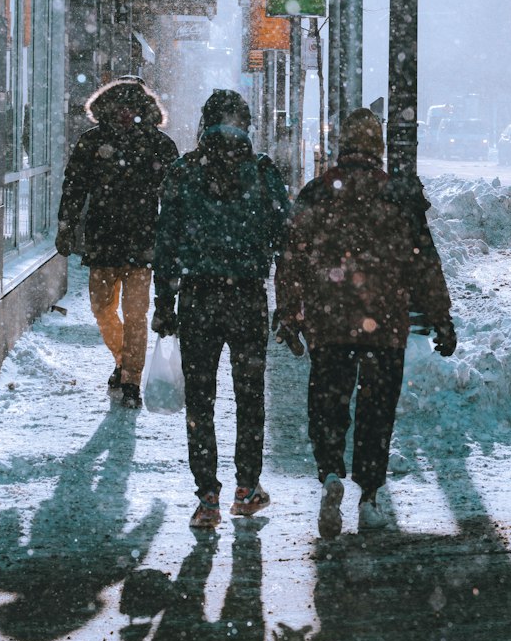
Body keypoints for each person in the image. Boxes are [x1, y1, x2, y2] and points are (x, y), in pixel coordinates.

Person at [274, 107, 455, 539]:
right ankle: (370, 496)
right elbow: (423, 261)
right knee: (377, 412)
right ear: (379, 147)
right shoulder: (397, 195)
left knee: (328, 405)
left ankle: (331, 474)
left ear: (342, 145)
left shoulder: (317, 193)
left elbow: (291, 257)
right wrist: (440, 317)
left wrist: (289, 313)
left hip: (330, 322)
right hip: (383, 323)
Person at [152, 89, 290, 529]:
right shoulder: (263, 172)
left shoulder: (183, 172)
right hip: (247, 296)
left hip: (198, 298)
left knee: (201, 400)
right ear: (246, 126)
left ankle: (207, 498)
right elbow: (284, 237)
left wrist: (164, 303)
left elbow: (166, 245)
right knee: (250, 397)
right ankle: (247, 488)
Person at [56, 78, 179, 410]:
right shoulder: (92, 143)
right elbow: (74, 185)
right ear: (107, 108)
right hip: (103, 240)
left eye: (132, 108)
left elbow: (174, 199)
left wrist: (173, 238)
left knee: (136, 314)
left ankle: (131, 381)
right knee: (102, 309)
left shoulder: (159, 145)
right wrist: (65, 224)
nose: (125, 114)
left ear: (142, 110)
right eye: (119, 107)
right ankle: (125, 361)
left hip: (141, 242)